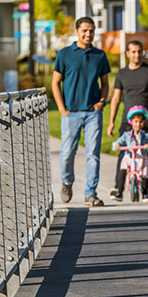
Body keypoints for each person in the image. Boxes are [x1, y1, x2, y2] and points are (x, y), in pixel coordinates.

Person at [52, 16, 110, 206]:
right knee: (67, 152)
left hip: (93, 113)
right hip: (70, 113)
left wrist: (101, 101)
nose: (88, 34)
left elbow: (105, 84)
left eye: (91, 31)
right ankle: (67, 181)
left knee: (93, 153)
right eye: (84, 30)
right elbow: (55, 83)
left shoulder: (100, 56)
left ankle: (90, 194)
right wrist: (62, 109)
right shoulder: (65, 54)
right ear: (76, 31)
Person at [107, 40, 148, 199]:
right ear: (127, 53)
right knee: (123, 153)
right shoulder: (122, 73)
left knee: (147, 153)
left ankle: (147, 190)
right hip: (128, 121)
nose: (136, 55)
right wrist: (112, 121)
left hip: (147, 119)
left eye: (139, 51)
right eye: (133, 51)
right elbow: (116, 98)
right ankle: (118, 189)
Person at [111, 105, 148, 203]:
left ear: (144, 123)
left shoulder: (146, 135)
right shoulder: (127, 135)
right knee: (123, 170)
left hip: (141, 157)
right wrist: (117, 145)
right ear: (131, 122)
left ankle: (145, 193)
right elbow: (119, 141)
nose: (138, 124)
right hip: (129, 157)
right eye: (136, 121)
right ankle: (119, 192)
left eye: (140, 122)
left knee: (144, 173)